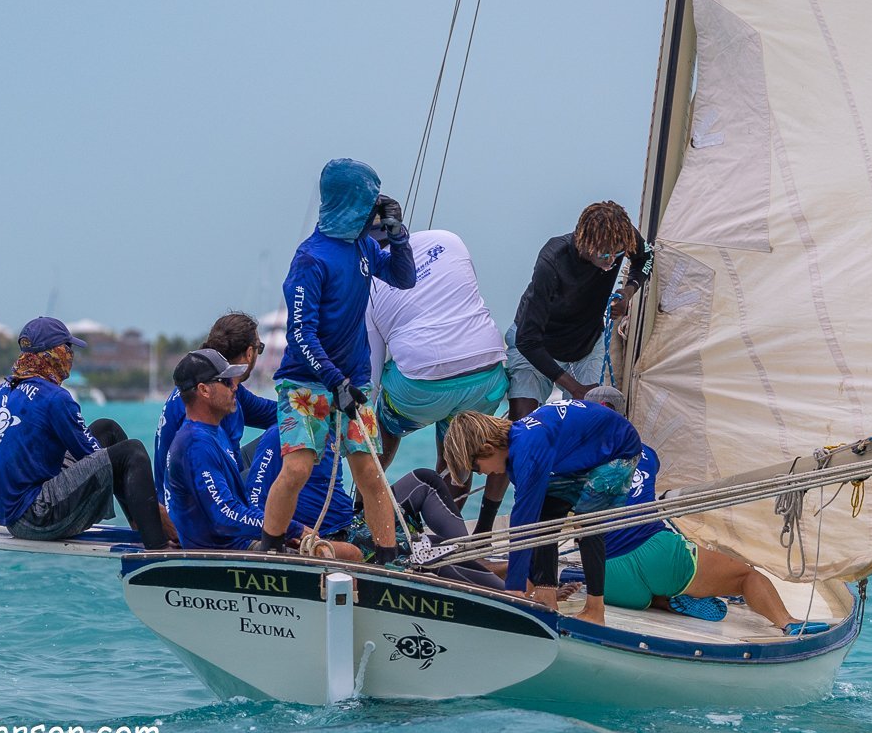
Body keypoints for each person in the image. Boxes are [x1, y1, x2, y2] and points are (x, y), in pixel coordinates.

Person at [258, 159, 416, 559]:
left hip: (354, 383)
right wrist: (334, 382)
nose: (372, 212)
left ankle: (386, 556)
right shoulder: (311, 259)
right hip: (306, 383)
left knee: (369, 471)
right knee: (298, 468)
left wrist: (398, 236)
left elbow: (404, 278)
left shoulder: (363, 245)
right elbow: (300, 333)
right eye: (368, 204)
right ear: (349, 204)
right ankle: (270, 545)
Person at [582, 386, 813, 635]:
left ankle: (662, 601)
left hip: (609, 578)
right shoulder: (646, 452)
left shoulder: (572, 457)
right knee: (746, 577)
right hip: (658, 554)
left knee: (638, 589)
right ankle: (787, 622)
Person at [0, 316, 168, 548]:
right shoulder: (55, 398)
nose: (71, 355)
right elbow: (92, 456)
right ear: (53, 353)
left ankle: (142, 525)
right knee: (132, 452)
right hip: (37, 517)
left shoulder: (2, 391)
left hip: (12, 516)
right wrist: (154, 508)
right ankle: (159, 547)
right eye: (68, 348)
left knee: (106, 429)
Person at [443, 400, 642, 626]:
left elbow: (522, 523)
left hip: (618, 450)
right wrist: (524, 579)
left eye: (476, 468)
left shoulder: (527, 449)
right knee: (545, 516)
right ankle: (547, 596)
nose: (480, 475)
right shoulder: (517, 450)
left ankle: (595, 610)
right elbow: (531, 519)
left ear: (488, 449)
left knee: (586, 524)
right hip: (578, 455)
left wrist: (515, 590)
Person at [364, 227, 508, 503]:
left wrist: (364, 422)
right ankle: (449, 532)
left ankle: (363, 508)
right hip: (487, 372)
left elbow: (372, 371)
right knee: (459, 447)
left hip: (422, 391)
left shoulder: (367, 283)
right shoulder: (448, 239)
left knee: (386, 420)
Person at [505, 200, 652, 425]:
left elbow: (646, 257)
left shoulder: (618, 237)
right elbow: (527, 340)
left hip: (585, 346)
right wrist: (575, 388)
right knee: (521, 424)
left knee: (585, 423)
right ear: (585, 243)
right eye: (605, 255)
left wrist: (628, 292)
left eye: (618, 253)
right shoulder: (552, 261)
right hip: (538, 346)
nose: (612, 260)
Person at [163, 349, 309, 551]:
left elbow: (237, 505)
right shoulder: (195, 445)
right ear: (204, 390)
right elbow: (225, 515)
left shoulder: (214, 431)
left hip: (237, 541)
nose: (235, 386)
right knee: (350, 554)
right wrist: (291, 529)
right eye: (226, 381)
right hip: (222, 552)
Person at [154, 312, 277, 494]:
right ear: (249, 353)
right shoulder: (214, 397)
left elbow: (275, 414)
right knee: (288, 454)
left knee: (288, 432)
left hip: (209, 477)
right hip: (201, 496)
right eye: (260, 349)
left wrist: (319, 411)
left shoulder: (223, 387)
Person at [343, 467, 505, 590]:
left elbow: (368, 475)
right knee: (432, 548)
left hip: (353, 523)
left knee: (424, 480)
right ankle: (510, 590)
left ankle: (469, 556)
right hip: (341, 540)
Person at [242, 425, 361, 560]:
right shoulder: (279, 435)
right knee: (353, 554)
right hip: (312, 536)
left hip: (346, 524)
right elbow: (255, 498)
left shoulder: (333, 431)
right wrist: (288, 533)